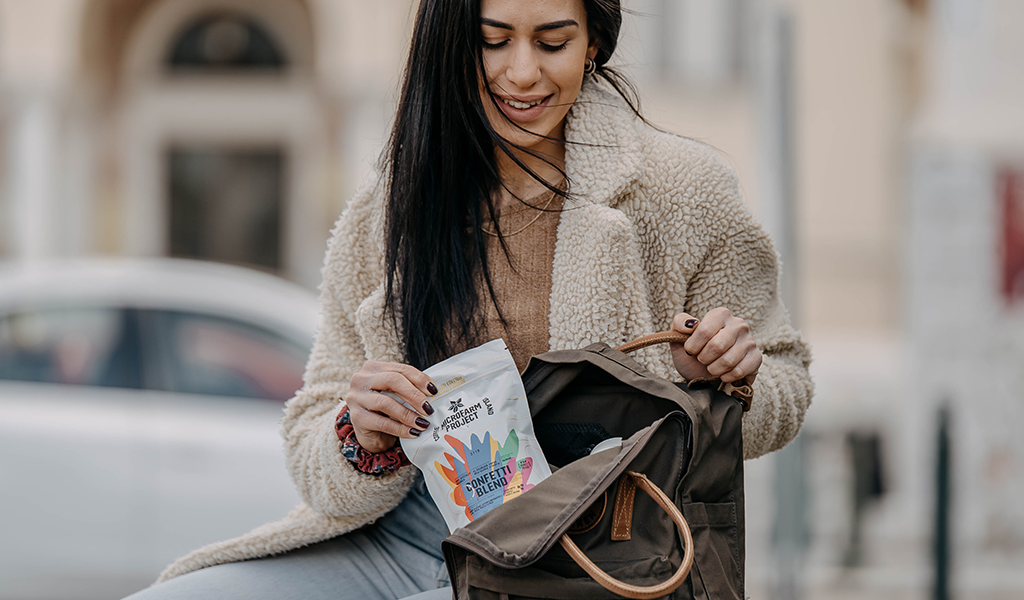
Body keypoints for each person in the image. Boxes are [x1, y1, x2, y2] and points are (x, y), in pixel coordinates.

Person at [125, 0, 812, 598]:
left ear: (593, 43)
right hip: (406, 537)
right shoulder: (388, 210)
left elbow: (784, 385)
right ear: (453, 41)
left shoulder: (682, 191)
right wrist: (361, 434)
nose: (521, 72)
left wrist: (729, 378)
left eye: (552, 41)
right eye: (492, 39)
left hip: (592, 554)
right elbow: (313, 429)